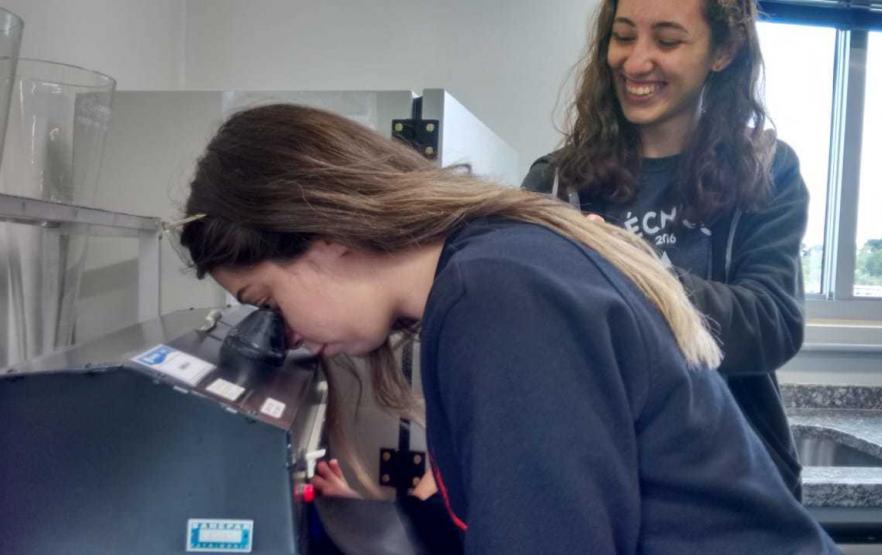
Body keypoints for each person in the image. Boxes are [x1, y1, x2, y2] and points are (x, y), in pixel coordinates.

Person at [177, 103, 837, 553]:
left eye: (266, 300)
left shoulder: (498, 294)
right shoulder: (493, 264)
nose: (283, 335)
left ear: (323, 238)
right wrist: (403, 508)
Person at [522, 0, 807, 499]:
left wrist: (634, 270)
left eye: (668, 40)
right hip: (597, 481)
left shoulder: (767, 168)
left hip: (731, 490)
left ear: (723, 51)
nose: (634, 62)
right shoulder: (554, 182)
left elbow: (772, 325)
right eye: (624, 35)